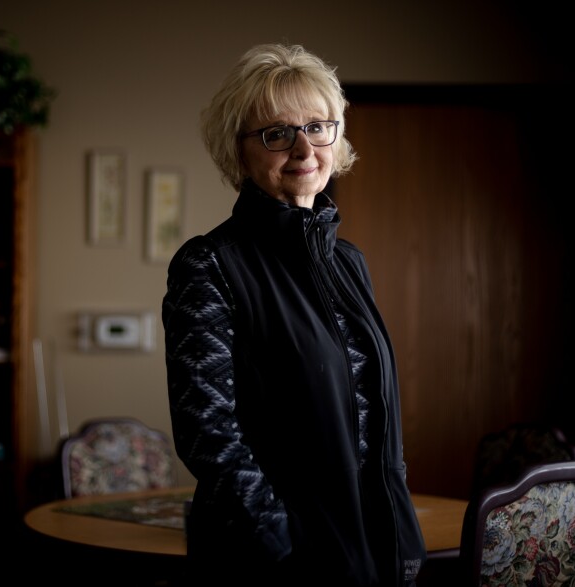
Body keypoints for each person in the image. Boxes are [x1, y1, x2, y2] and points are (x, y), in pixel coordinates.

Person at [162, 43, 426, 586]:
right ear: (239, 154)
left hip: (373, 544)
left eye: (317, 126)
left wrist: (398, 533)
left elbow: (372, 419)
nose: (304, 147)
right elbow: (207, 432)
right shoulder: (208, 264)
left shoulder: (349, 262)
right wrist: (282, 542)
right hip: (277, 565)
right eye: (276, 133)